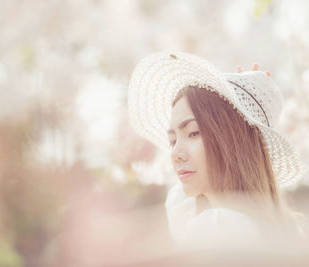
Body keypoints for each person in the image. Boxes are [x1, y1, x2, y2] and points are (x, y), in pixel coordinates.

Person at [128, 51, 309, 251]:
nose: (175, 153)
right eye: (172, 140)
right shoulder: (283, 229)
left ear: (230, 141)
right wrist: (239, 99)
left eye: (193, 133)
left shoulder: (220, 228)